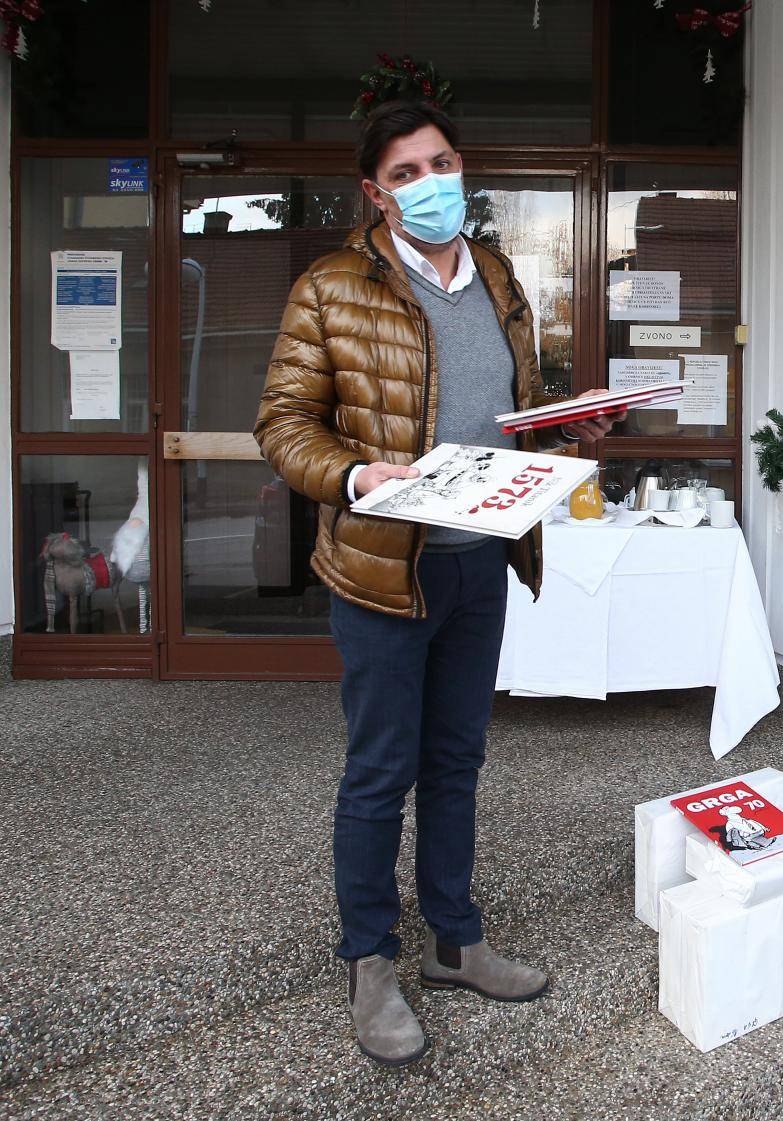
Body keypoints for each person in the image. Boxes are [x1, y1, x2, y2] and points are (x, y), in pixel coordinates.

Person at [255, 99, 622, 1067]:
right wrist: (354, 475)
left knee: (457, 762)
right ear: (374, 193)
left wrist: (565, 426)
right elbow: (284, 424)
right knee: (382, 769)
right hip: (382, 570)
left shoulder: (498, 276)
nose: (432, 181)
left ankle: (455, 938)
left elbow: (517, 412)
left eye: (444, 161)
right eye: (409, 170)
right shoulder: (330, 287)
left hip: (479, 563)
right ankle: (370, 958)